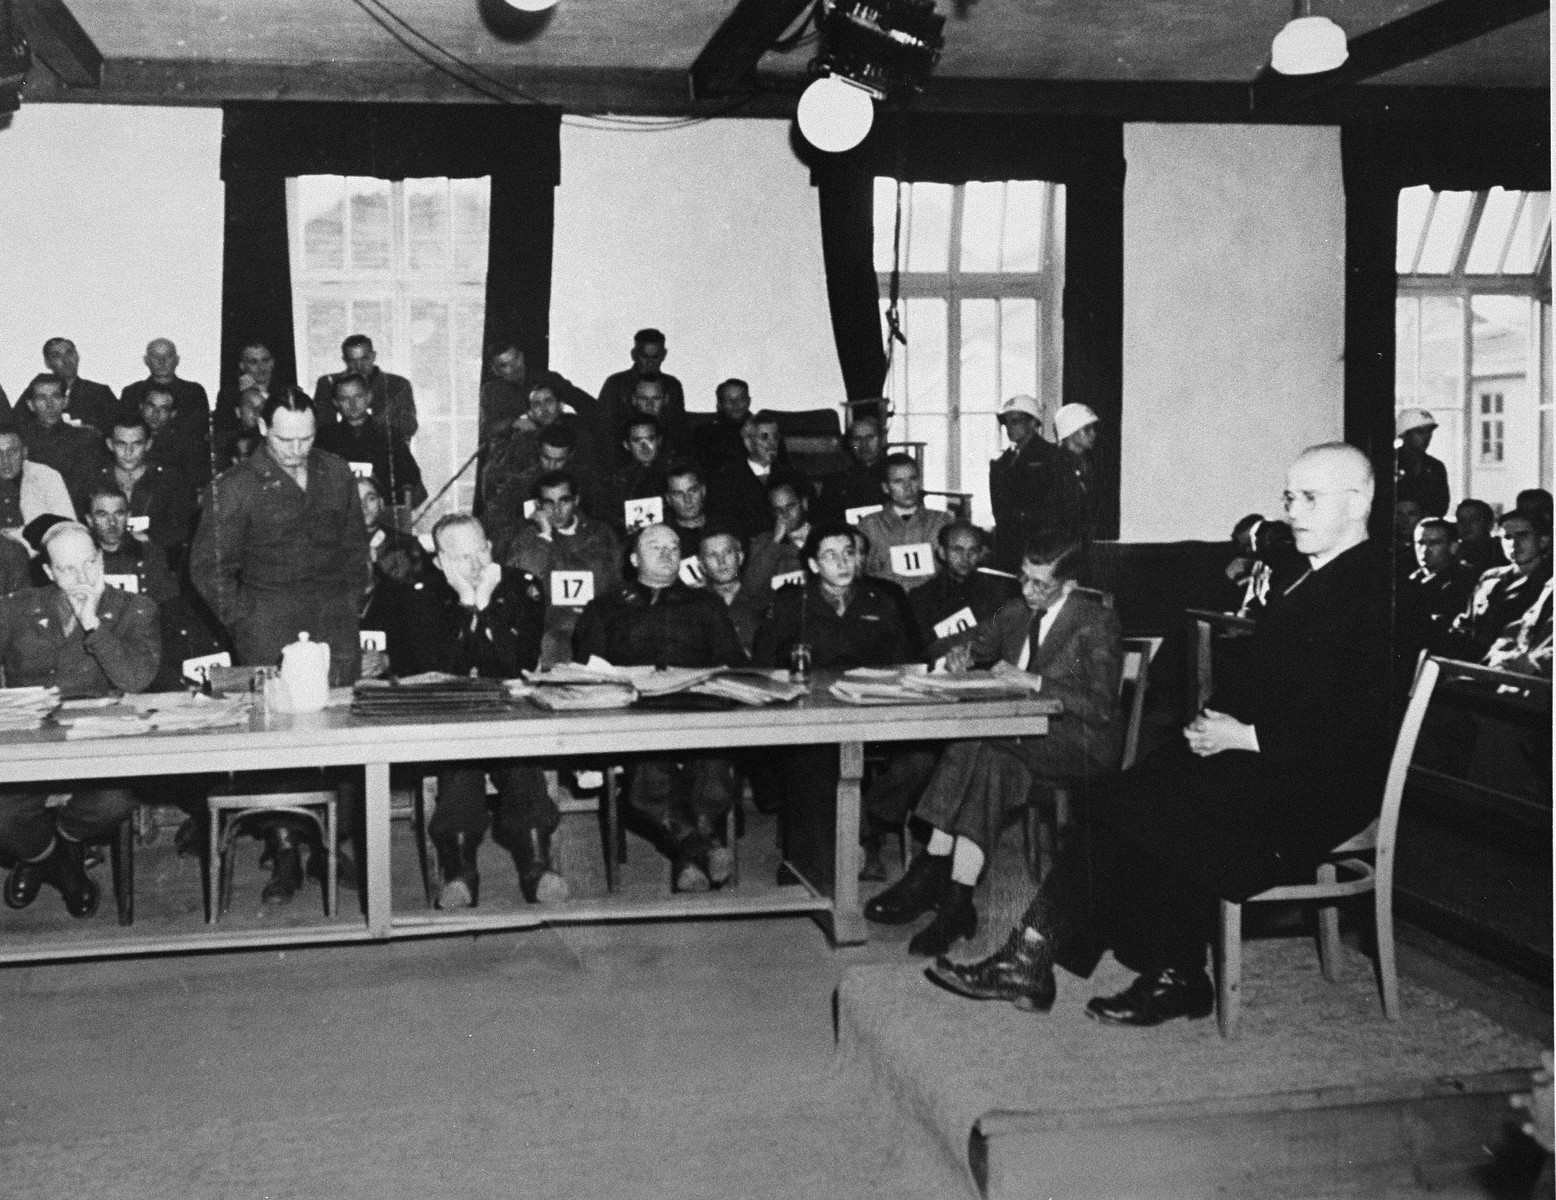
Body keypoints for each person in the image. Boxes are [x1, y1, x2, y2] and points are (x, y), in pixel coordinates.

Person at [928, 443, 1391, 1026]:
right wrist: (1213, 728)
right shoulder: (1312, 575)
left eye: (1309, 499)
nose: (1292, 512)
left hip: (1321, 782)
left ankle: (1146, 971)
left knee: (1150, 807)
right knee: (1121, 794)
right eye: (1289, 497)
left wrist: (1247, 737)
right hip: (1266, 757)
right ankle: (1061, 961)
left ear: (1357, 501)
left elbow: (1360, 722)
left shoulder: (1378, 589)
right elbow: (1276, 683)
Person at [867, 535, 1123, 957]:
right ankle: (956, 897)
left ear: (1070, 586)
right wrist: (956, 657)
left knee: (983, 747)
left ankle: (930, 872)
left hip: (1074, 741)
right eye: (1023, 578)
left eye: (1040, 584)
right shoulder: (1014, 611)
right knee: (987, 755)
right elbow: (962, 645)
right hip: (1013, 739)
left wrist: (1035, 682)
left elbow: (1099, 706)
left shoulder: (1092, 622)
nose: (1027, 591)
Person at [188, 389, 370, 902]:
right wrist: (245, 623)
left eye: (307, 437)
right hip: (268, 622)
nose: (296, 449)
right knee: (281, 743)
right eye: (285, 439)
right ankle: (285, 848)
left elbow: (357, 546)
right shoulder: (235, 485)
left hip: (333, 621)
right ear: (264, 428)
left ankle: (335, 846)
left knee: (345, 735)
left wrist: (351, 603)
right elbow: (208, 567)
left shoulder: (335, 471)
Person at [398, 513, 565, 907]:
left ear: (490, 549)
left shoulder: (522, 587)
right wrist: (466, 604)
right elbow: (436, 666)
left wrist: (486, 606)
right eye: (459, 557)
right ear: (439, 562)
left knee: (521, 762)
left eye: (481, 552)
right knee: (460, 767)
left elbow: (518, 662)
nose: (474, 565)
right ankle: (460, 873)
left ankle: (537, 869)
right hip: (448, 715)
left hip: (509, 712)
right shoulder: (420, 594)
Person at [752, 521, 932, 884]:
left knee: (921, 759)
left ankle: (864, 831)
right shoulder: (793, 602)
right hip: (814, 713)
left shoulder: (883, 599)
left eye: (849, 553)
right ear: (815, 566)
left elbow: (909, 662)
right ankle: (809, 859)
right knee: (810, 758)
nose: (843, 563)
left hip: (876, 711)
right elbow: (763, 663)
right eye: (831, 556)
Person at [571, 523, 746, 892]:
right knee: (648, 776)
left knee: (713, 768)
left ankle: (691, 853)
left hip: (700, 709)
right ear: (634, 558)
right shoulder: (605, 607)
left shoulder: (705, 603)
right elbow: (589, 670)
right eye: (655, 547)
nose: (668, 554)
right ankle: (703, 846)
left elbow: (731, 662)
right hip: (636, 714)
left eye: (674, 546)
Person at [0, 521, 160, 918]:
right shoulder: (15, 607)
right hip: (29, 739)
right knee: (4, 814)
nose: (83, 576)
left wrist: (93, 622)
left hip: (97, 742)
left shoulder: (135, 609)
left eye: (90, 563)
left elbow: (135, 679)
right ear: (49, 572)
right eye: (68, 569)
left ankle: (51, 852)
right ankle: (60, 861)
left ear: (101, 559)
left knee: (114, 801)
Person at [504, 470, 624, 666]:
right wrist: (545, 536)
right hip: (552, 627)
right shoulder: (527, 539)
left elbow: (616, 582)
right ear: (538, 505)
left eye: (564, 501)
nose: (557, 510)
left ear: (576, 501)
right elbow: (523, 582)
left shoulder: (601, 534)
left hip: (598, 621)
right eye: (549, 503)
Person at [1438, 510, 1553, 661]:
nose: (1514, 543)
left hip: (1515, 669)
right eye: (1507, 537)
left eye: (1523, 535)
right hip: (1476, 664)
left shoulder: (1549, 583)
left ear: (1543, 541)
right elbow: (1466, 625)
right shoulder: (1490, 578)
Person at [89, 416, 197, 565]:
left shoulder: (170, 480)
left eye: (136, 444)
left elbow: (183, 527)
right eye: (121, 444)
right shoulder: (93, 479)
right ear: (110, 444)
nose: (128, 452)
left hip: (157, 563)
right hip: (104, 562)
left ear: (148, 444)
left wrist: (150, 537)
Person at [313, 372, 427, 509]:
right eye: (344, 399)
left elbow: (414, 485)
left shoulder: (390, 435)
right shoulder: (323, 438)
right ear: (335, 403)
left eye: (358, 396)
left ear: (369, 397)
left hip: (383, 515)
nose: (352, 404)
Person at [908, 522, 1017, 661]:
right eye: (957, 550)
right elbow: (919, 651)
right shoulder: (921, 597)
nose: (965, 558)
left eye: (973, 550)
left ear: (981, 553)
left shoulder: (999, 591)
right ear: (942, 552)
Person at [119, 338, 213, 483]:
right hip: (139, 469)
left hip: (181, 471)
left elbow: (196, 438)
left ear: (176, 360)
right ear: (146, 360)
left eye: (167, 356)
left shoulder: (193, 393)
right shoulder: (132, 393)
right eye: (156, 357)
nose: (162, 361)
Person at [857, 454, 953, 593]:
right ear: (885, 487)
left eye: (912, 479)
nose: (908, 487)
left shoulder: (942, 521)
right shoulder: (868, 526)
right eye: (898, 481)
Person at [17, 373, 108, 513]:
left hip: (74, 513)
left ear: (65, 401)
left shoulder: (85, 438)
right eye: (42, 398)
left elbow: (90, 487)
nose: (50, 405)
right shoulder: (19, 439)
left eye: (56, 396)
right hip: (27, 511)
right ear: (31, 404)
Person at [596, 328, 686, 464]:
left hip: (663, 456)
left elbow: (677, 429)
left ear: (663, 355)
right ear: (634, 355)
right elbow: (605, 430)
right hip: (622, 456)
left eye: (655, 357)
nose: (650, 363)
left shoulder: (672, 385)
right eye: (645, 357)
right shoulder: (616, 384)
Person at [989, 394, 1058, 570]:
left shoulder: (1051, 457)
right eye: (1006, 423)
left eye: (1016, 422)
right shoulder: (1002, 461)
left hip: (1038, 547)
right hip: (1007, 547)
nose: (1009, 428)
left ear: (1033, 423)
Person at [709, 410, 793, 543]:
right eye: (764, 437)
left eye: (775, 437)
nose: (772, 444)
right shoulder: (725, 481)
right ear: (748, 443)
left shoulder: (793, 477)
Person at [313, 334, 417, 440]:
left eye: (364, 359)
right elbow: (322, 429)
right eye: (352, 360)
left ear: (373, 356)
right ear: (345, 360)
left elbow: (409, 427)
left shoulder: (397, 384)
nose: (359, 366)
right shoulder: (329, 384)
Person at [1397, 517, 1474, 660]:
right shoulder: (1408, 581)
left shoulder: (1465, 582)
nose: (1425, 550)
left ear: (1453, 547)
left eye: (1434, 543)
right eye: (1420, 543)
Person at [10, 339, 118, 435]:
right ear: (48, 363)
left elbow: (119, 429)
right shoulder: (37, 392)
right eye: (57, 355)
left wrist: (94, 432)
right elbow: (16, 426)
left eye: (69, 353)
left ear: (77, 356)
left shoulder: (99, 393)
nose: (66, 360)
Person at [0, 420, 74, 546]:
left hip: (38, 557)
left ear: (24, 452)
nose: (5, 460)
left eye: (12, 452)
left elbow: (68, 527)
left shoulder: (47, 476)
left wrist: (14, 536)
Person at [741, 477, 812, 600]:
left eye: (790, 507)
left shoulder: (825, 534)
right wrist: (775, 542)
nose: (785, 515)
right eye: (778, 510)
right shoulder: (764, 542)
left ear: (804, 504)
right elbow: (751, 587)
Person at [698, 529, 766, 655]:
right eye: (713, 555)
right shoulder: (695, 605)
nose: (721, 561)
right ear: (702, 565)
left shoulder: (764, 599)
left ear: (740, 557)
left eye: (727, 552)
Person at [602, 415, 671, 535]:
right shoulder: (618, 480)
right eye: (637, 441)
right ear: (626, 445)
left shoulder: (675, 472)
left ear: (659, 441)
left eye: (650, 439)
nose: (645, 447)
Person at [816, 413, 890, 524]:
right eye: (857, 439)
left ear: (882, 440)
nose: (864, 445)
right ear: (850, 443)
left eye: (870, 437)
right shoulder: (836, 481)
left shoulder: (894, 475)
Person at [1049, 403, 1102, 548]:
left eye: (1093, 428)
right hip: (1062, 548)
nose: (1093, 434)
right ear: (1070, 432)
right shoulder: (1054, 466)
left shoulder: (1090, 463)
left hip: (1085, 545)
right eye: (1087, 429)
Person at [1394, 408, 1450, 519]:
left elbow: (1441, 506)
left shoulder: (1435, 467)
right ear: (1404, 434)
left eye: (1429, 432)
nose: (1426, 437)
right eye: (1419, 432)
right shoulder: (1389, 463)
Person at [693, 379, 754, 476]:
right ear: (720, 405)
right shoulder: (704, 433)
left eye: (741, 398)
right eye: (729, 399)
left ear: (749, 401)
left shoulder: (765, 429)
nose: (735, 404)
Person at [663, 460, 712, 565]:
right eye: (679, 494)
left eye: (692, 491)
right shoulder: (663, 537)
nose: (687, 499)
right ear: (668, 499)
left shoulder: (724, 526)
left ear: (703, 491)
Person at [214, 386, 268, 473]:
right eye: (250, 406)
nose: (257, 411)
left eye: (261, 407)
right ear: (238, 412)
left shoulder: (270, 442)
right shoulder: (224, 442)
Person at [1454, 499, 1506, 576]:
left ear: (1489, 524)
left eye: (1474, 520)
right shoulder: (1451, 554)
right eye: (1461, 520)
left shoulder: (1503, 551)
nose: (1466, 525)